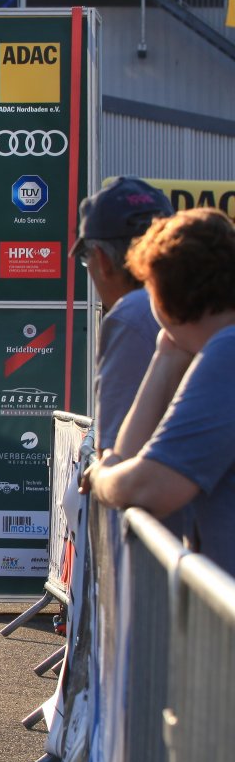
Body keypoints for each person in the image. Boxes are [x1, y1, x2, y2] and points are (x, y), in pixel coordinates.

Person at [80, 209, 235, 574]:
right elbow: (128, 456)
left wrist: (101, 478)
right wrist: (167, 354)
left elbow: (152, 487)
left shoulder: (227, 352)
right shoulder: (218, 346)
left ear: (161, 293)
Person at [72, 177, 174, 451]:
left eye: (85, 258)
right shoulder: (209, 305)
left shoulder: (132, 314)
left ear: (103, 260)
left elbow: (116, 451)